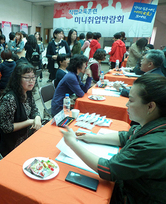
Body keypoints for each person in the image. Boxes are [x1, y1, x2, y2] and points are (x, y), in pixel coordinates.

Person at [61, 73, 166, 204]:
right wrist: (88, 137)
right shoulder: (155, 124)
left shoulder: (154, 144)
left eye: (131, 100)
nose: (127, 104)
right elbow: (126, 136)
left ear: (150, 106)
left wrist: (72, 143)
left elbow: (108, 169)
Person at [0, 63, 41, 157]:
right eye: (27, 77)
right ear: (18, 79)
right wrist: (30, 121)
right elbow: (7, 127)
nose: (32, 81)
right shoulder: (10, 98)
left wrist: (37, 117)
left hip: (27, 135)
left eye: (33, 77)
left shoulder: (27, 92)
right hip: (13, 144)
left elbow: (34, 109)